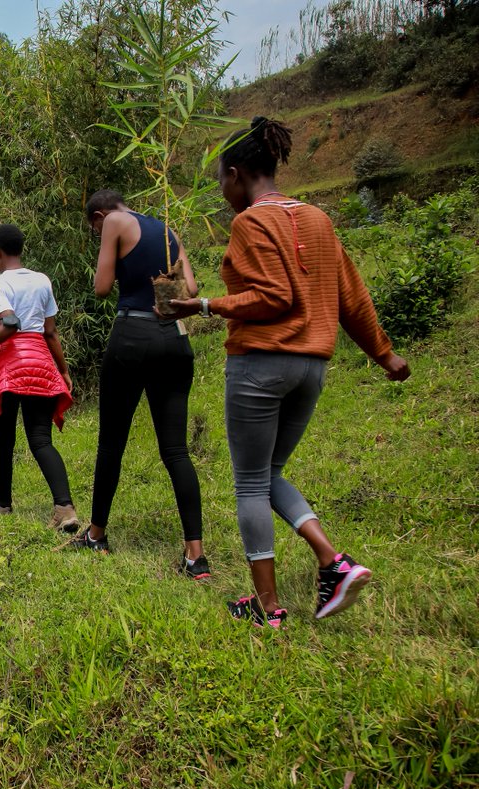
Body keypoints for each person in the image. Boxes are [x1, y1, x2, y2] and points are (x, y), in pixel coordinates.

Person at [162, 116, 411, 628]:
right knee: (270, 473)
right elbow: (351, 298)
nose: (223, 193)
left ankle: (270, 607)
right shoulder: (318, 220)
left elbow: (273, 297)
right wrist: (384, 354)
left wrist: (202, 305)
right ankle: (333, 564)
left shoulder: (251, 222)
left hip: (260, 365)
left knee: (250, 483)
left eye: (221, 182)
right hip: (312, 367)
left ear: (236, 174)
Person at [77, 190, 208, 579]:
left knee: (111, 442)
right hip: (174, 340)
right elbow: (193, 289)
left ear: (100, 215)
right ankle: (195, 557)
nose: (99, 233)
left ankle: (97, 535)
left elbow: (102, 287)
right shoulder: (166, 227)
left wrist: (117, 263)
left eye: (94, 228)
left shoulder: (115, 222)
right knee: (176, 450)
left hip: (133, 336)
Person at [0, 224, 80, 533]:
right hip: (39, 359)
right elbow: (50, 332)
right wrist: (62, 370)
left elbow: (10, 323)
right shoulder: (42, 280)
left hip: (10, 364)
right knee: (40, 439)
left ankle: (4, 504)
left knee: (5, 437)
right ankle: (65, 508)